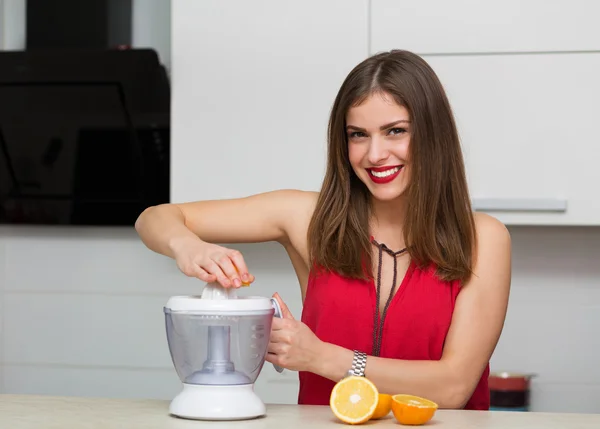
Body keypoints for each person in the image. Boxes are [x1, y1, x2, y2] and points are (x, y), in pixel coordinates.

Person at [135, 49, 511, 410]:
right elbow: (155, 217)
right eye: (357, 134)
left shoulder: (483, 239)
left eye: (395, 131)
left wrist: (320, 357)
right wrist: (189, 247)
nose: (374, 154)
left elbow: (453, 387)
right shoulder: (310, 218)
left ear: (433, 136)